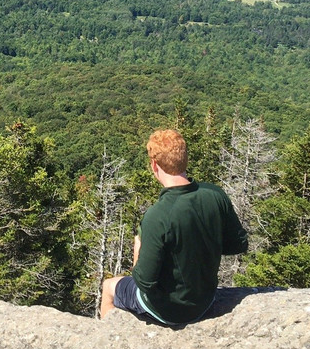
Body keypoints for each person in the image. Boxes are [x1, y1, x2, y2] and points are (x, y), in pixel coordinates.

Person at [100, 128, 248, 326]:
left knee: (109, 286)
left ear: (154, 165)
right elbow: (238, 245)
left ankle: (109, 341)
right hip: (205, 299)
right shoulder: (214, 195)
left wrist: (138, 248)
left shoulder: (157, 216)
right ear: (185, 159)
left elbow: (144, 281)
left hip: (168, 310)